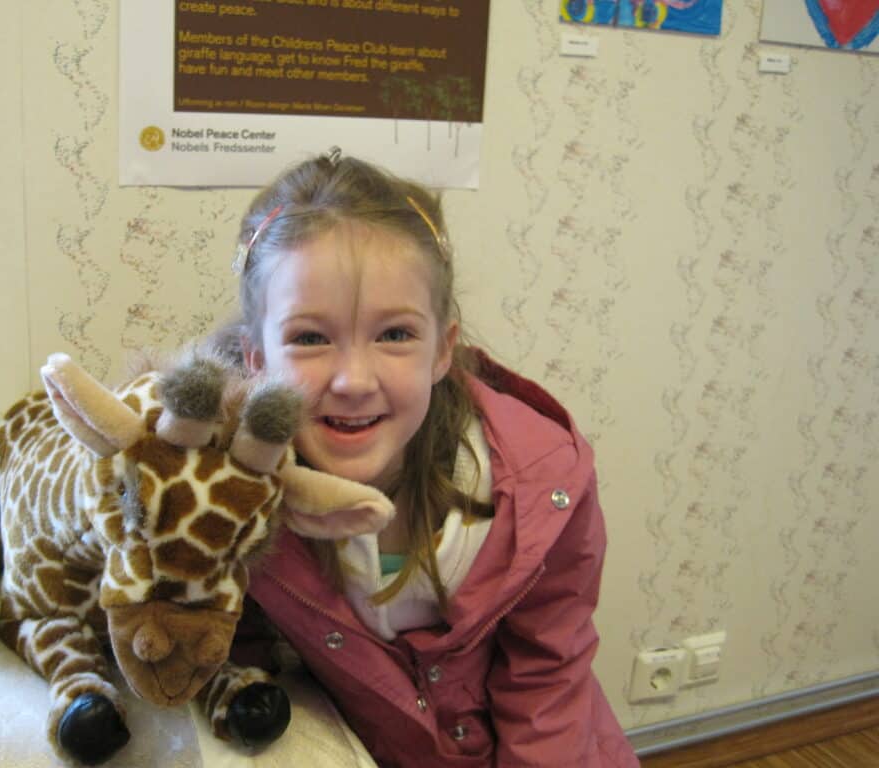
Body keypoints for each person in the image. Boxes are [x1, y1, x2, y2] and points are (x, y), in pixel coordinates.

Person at [217, 148, 638, 768]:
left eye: (394, 335)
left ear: (443, 350)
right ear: (256, 360)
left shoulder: (544, 486)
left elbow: (548, 679)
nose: (353, 380)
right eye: (310, 338)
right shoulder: (230, 492)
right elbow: (233, 645)